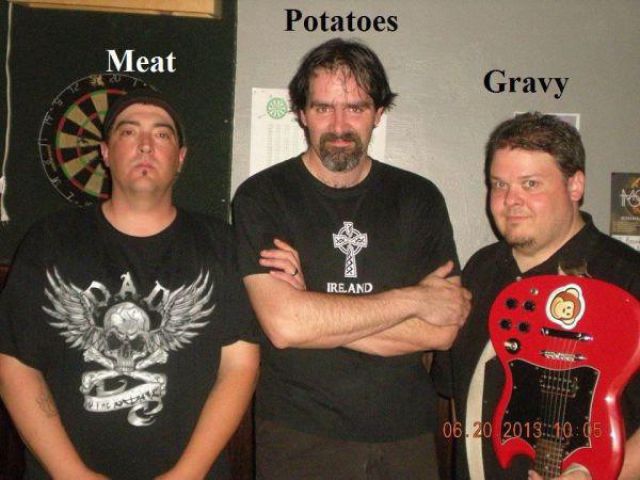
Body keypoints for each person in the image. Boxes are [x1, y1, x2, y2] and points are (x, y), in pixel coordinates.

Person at [232, 38, 471, 479]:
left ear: (378, 113)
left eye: (356, 108)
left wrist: (313, 307)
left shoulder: (419, 198)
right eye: (324, 108)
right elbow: (285, 326)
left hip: (407, 437)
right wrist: (415, 299)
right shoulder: (262, 197)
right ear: (301, 113)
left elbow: (441, 331)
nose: (339, 125)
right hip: (298, 437)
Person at [0, 89, 259, 479]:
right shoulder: (50, 242)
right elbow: (15, 366)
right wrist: (72, 475)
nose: (145, 145)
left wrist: (186, 474)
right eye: (128, 132)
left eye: (161, 134)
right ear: (105, 152)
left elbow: (239, 366)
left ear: (181, 158)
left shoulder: (220, 246)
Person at [444, 112, 640, 480]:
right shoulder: (482, 269)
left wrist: (595, 476)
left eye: (530, 184)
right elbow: (459, 392)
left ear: (575, 185)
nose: (510, 200)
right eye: (499, 184)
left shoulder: (627, 279)